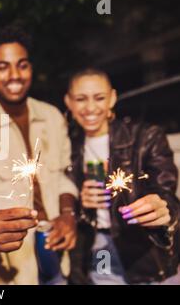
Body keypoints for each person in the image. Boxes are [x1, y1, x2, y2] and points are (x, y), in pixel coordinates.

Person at [0, 25, 78, 285]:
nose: (14, 75)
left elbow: (64, 175)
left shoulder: (52, 116)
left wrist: (68, 214)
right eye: (2, 67)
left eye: (22, 65)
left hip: (57, 260)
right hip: (9, 273)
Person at [65, 68, 179, 284]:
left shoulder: (146, 137)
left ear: (112, 98)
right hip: (100, 244)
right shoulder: (68, 147)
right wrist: (81, 204)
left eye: (99, 98)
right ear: (68, 102)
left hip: (144, 247)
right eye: (81, 99)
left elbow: (164, 191)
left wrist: (160, 209)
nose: (90, 108)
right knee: (103, 279)